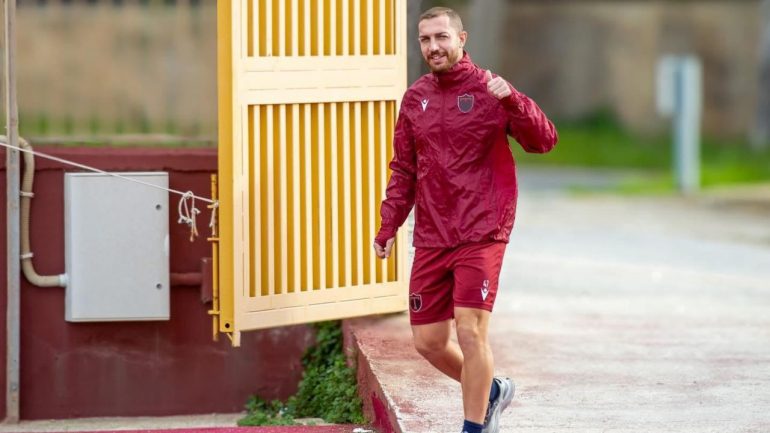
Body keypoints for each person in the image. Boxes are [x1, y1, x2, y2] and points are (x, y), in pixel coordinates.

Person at [372, 6, 558, 433]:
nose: (433, 47)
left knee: (470, 331)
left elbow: (544, 140)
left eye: (441, 37)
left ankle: (474, 426)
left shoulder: (491, 89)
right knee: (428, 342)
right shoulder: (415, 98)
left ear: (461, 39)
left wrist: (513, 100)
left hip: (483, 228)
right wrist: (389, 225)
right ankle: (490, 391)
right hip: (433, 233)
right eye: (425, 39)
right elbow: (404, 169)